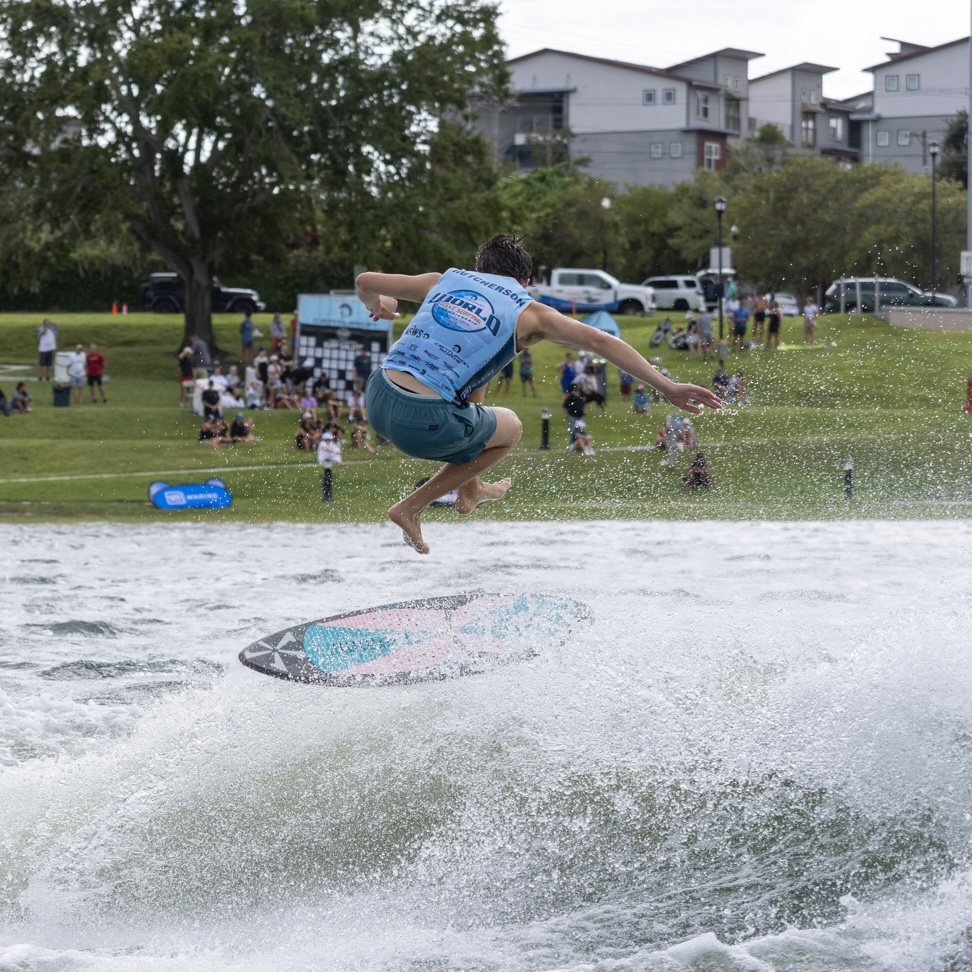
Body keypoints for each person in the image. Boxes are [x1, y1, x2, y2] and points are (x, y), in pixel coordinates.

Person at [355, 234, 721, 553]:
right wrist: (668, 387)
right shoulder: (530, 312)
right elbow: (598, 339)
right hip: (423, 420)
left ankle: (471, 487)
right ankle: (412, 506)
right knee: (510, 427)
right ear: (525, 281)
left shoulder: (444, 280)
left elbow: (365, 280)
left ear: (479, 268)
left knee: (480, 384)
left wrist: (379, 306)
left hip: (377, 399)